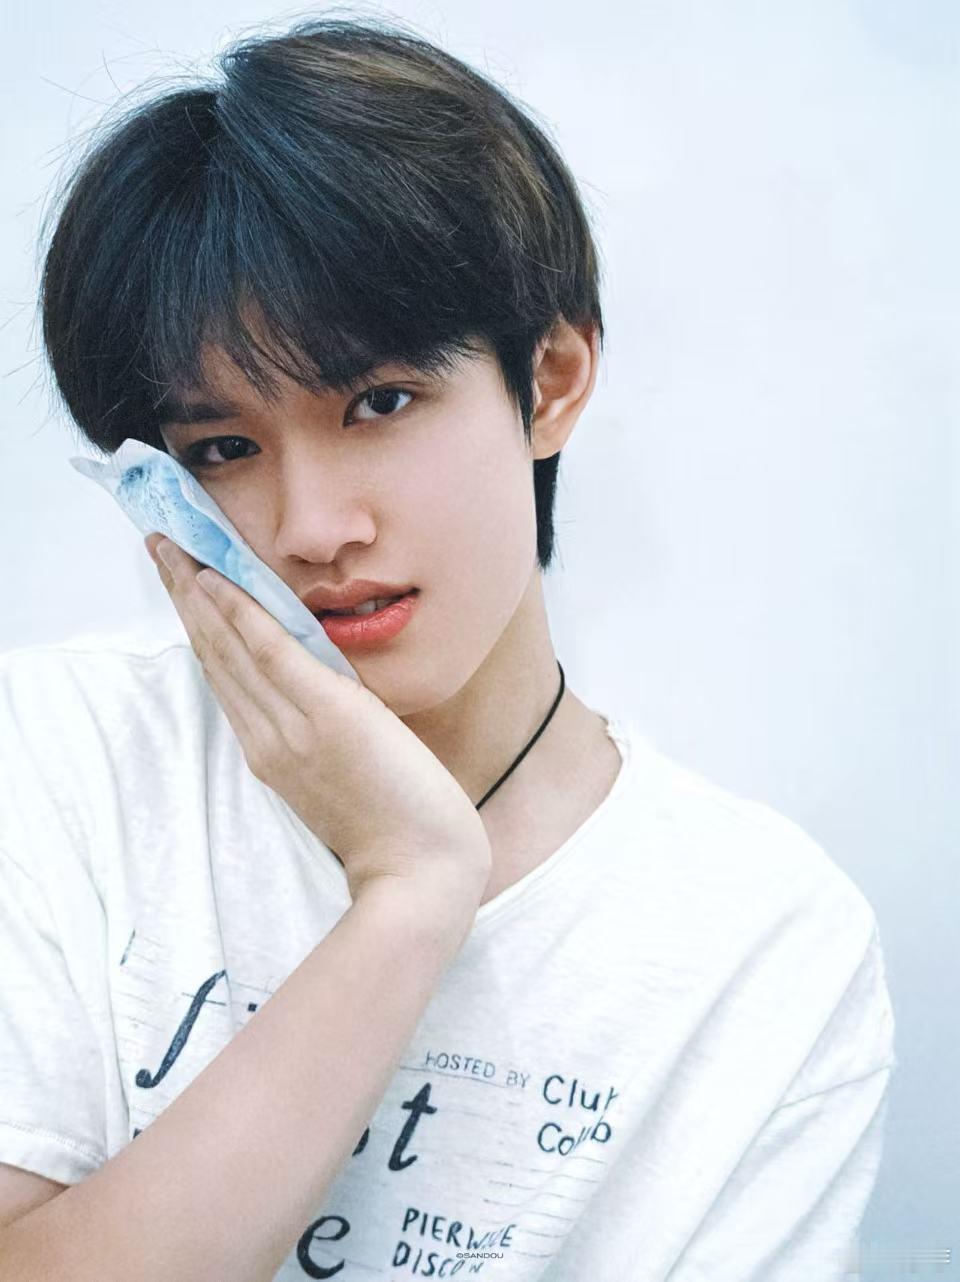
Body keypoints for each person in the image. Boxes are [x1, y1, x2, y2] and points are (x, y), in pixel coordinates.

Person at [0, 15, 895, 1281]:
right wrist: (412, 888)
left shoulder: (762, 938)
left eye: (380, 402)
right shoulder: (62, 757)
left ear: (553, 379)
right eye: (224, 449)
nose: (313, 528)